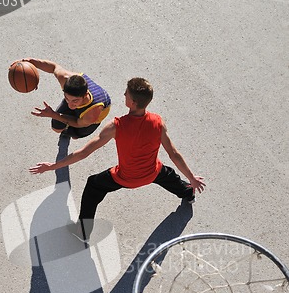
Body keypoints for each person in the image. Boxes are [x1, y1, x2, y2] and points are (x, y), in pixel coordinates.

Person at [29, 77, 206, 240]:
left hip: (125, 178)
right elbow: (174, 154)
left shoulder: (116, 126)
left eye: (126, 93)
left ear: (132, 102)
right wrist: (192, 179)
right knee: (168, 174)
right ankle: (188, 192)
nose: (123, 94)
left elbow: (84, 152)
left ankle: (83, 232)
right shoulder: (158, 122)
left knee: (93, 185)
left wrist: (53, 166)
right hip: (152, 173)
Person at [20, 58, 111, 139]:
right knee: (56, 129)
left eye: (75, 101)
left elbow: (78, 123)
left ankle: (68, 132)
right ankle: (65, 127)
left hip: (87, 118)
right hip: (82, 108)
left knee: (74, 136)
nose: (70, 105)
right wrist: (29, 62)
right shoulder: (65, 78)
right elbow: (53, 67)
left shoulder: (92, 113)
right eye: (66, 98)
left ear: (85, 95)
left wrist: (53, 114)